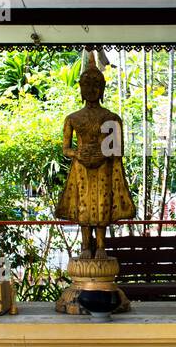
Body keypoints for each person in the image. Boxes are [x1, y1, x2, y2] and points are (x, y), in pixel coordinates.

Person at [55, 51, 136, 258]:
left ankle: (100, 245)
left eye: (95, 86)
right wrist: (78, 153)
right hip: (81, 167)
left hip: (103, 167)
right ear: (80, 89)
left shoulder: (111, 117)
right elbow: (66, 149)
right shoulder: (72, 118)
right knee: (83, 203)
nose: (90, 90)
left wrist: (102, 155)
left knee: (102, 204)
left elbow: (118, 149)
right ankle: (84, 246)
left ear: (101, 89)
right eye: (86, 86)